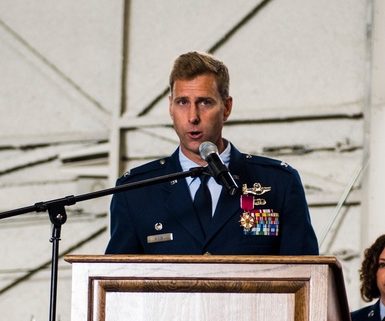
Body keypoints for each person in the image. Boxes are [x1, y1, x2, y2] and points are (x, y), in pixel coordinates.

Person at [105, 51, 319, 256]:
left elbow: (306, 277)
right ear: (170, 107)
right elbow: (114, 282)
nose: (192, 117)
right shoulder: (135, 191)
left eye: (204, 102)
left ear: (226, 108)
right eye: (182, 103)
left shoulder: (279, 183)